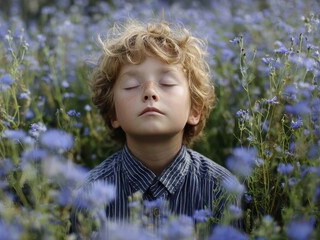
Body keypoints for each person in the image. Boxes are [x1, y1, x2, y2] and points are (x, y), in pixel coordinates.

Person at [71, 18, 241, 234]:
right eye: (132, 85)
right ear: (113, 113)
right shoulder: (89, 192)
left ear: (194, 110)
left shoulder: (222, 188)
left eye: (167, 83)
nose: (149, 92)